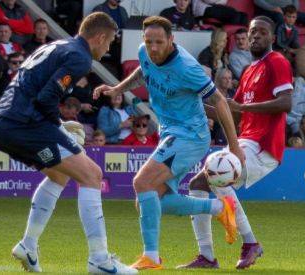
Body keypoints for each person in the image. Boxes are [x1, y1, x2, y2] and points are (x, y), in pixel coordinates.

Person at [0, 12, 137, 274]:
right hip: (24, 122)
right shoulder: (80, 57)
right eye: (110, 42)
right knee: (92, 175)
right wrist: (59, 125)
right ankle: (100, 261)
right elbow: (47, 98)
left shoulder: (57, 45)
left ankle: (28, 245)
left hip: (2, 123)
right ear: (100, 36)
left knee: (59, 175)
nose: (109, 48)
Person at [93, 15, 244, 270]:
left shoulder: (186, 67)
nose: (153, 48)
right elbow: (144, 70)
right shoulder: (145, 52)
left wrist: (235, 145)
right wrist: (118, 89)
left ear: (171, 40)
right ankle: (219, 206)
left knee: (141, 182)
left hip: (190, 135)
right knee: (147, 200)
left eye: (159, 42)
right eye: (149, 41)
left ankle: (151, 256)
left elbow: (218, 100)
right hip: (170, 133)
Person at [178, 16, 293, 270]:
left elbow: (286, 103)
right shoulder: (249, 71)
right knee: (198, 183)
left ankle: (250, 242)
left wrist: (241, 106)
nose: (255, 36)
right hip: (244, 141)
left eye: (262, 32)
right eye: (253, 32)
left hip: (264, 145)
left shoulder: (277, 61)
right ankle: (207, 256)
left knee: (217, 176)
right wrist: (192, 105)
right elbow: (233, 113)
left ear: (273, 38)